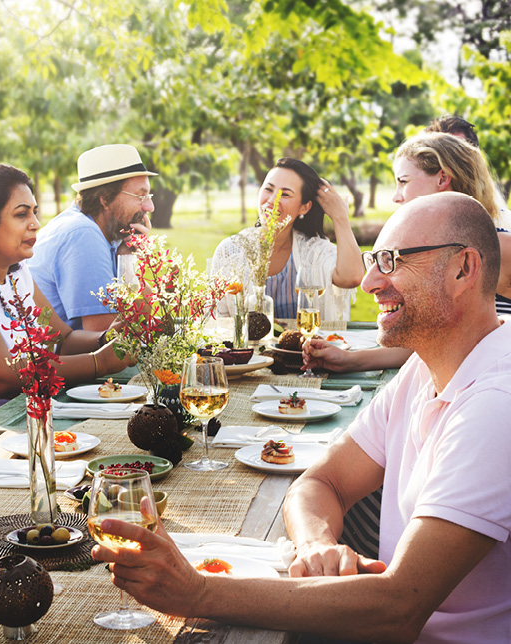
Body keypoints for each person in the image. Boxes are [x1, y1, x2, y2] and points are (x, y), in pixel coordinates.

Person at [93, 193, 511, 642]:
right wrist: (316, 546)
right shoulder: (425, 366)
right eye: (375, 260)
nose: (368, 282)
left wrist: (196, 593)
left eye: (391, 261)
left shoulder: (494, 405)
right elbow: (319, 482)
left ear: (463, 269)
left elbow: (397, 608)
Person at [0, 163, 131, 416]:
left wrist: (106, 339)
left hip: (26, 413)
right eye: (21, 214)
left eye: (35, 212)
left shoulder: (16, 271)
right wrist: (98, 363)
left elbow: (63, 341)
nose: (36, 224)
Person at [306, 132, 511, 373]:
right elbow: (426, 337)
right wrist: (349, 360)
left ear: (442, 177)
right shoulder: (438, 246)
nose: (396, 196)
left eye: (403, 181)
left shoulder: (496, 247)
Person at [210, 158, 362, 320]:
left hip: (306, 344)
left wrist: (340, 217)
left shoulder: (314, 252)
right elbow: (217, 318)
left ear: (304, 207)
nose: (272, 201)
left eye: (285, 194)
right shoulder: (231, 250)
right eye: (269, 189)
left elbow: (351, 277)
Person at [28, 144, 154, 331]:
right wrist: (143, 293)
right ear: (105, 199)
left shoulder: (106, 233)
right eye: (140, 196)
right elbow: (108, 339)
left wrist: (126, 258)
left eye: (148, 195)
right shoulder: (82, 234)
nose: (150, 207)